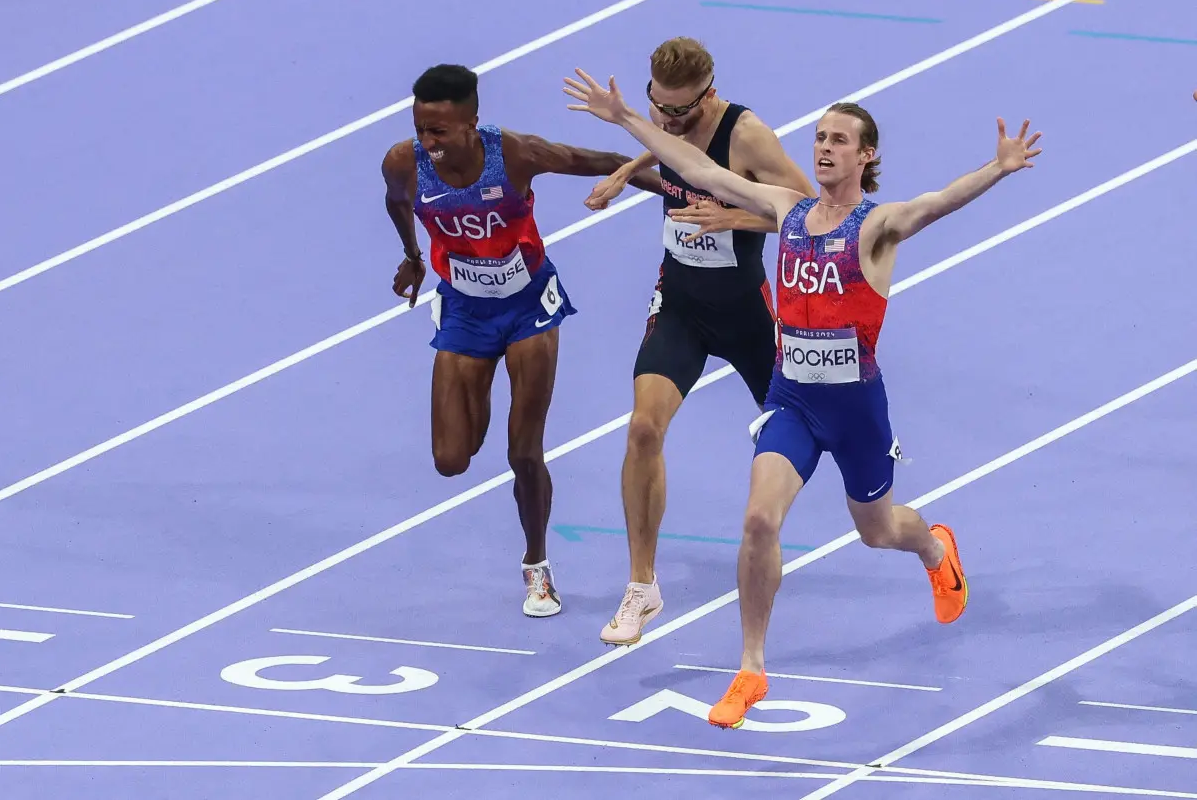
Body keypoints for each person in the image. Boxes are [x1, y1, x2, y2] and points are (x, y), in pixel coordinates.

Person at [564, 67, 1041, 726]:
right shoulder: (786, 210)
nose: (823, 148)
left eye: (839, 140)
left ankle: (934, 548)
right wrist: (625, 120)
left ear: (866, 155)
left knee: (878, 530)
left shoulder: (878, 226)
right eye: (819, 137)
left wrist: (998, 168)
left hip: (855, 410)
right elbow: (700, 170)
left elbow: (938, 201)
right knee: (759, 520)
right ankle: (751, 667)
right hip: (792, 401)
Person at [383, 64, 662, 618]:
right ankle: (479, 382)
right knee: (451, 459)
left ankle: (537, 567)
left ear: (472, 123)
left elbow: (599, 163)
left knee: (523, 451)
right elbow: (396, 202)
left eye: (439, 131)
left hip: (528, 306)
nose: (427, 142)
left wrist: (674, 187)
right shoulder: (403, 163)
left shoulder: (514, 154)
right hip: (463, 309)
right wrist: (415, 259)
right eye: (421, 129)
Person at [579, 38, 816, 646]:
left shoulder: (747, 135)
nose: (669, 121)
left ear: (709, 94)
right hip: (681, 303)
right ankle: (641, 587)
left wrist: (735, 217)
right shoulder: (663, 113)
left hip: (745, 313)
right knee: (642, 429)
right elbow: (669, 151)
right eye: (659, 108)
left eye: (682, 114)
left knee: (820, 434)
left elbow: (813, 213)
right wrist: (628, 170)